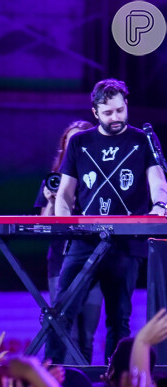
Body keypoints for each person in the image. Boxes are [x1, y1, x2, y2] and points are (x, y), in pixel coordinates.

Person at [45, 78, 167, 364]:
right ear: (95, 112)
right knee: (60, 310)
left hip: (125, 243)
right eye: (109, 112)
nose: (116, 118)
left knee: (119, 317)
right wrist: (66, 226)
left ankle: (118, 377)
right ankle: (50, 374)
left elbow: (157, 181)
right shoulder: (79, 142)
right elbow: (65, 193)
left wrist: (160, 204)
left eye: (120, 110)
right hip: (84, 240)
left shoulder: (142, 139)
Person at [35, 120, 103, 364]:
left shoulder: (100, 180)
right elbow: (43, 226)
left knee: (87, 335)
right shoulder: (52, 180)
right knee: (66, 331)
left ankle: (83, 380)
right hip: (61, 263)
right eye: (70, 142)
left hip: (94, 262)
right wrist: (53, 201)